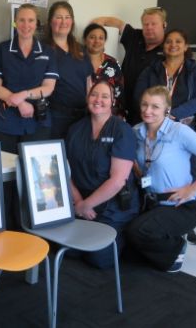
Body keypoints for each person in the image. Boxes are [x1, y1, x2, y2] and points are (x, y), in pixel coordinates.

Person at [126, 86, 196, 272]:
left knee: (139, 232)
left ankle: (176, 249)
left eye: (155, 106)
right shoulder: (136, 132)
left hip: (182, 205)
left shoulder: (179, 131)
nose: (148, 111)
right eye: (144, 105)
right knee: (126, 245)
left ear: (167, 109)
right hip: (151, 201)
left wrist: (191, 189)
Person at [65, 80, 139, 269]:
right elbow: (66, 171)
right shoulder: (75, 129)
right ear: (87, 98)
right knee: (69, 250)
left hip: (113, 206)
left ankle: (124, 237)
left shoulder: (122, 131)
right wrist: (78, 202)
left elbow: (118, 181)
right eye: (94, 95)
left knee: (98, 259)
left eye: (105, 96)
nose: (98, 100)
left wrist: (86, 205)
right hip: (81, 202)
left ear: (113, 101)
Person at [0, 3, 59, 154]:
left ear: (37, 23)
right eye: (21, 20)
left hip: (37, 121)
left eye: (31, 20)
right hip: (3, 121)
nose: (26, 25)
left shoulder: (48, 52)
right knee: (4, 167)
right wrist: (20, 103)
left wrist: (24, 95)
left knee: (33, 167)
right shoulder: (2, 49)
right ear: (15, 22)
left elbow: (48, 87)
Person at [93, 7, 166, 124]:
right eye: (146, 24)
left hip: (149, 113)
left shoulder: (169, 48)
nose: (149, 28)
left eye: (154, 24)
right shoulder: (135, 37)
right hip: (124, 109)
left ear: (164, 25)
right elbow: (118, 23)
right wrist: (99, 22)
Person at [134, 29, 196, 123]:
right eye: (168, 42)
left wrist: (171, 115)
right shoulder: (150, 70)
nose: (173, 45)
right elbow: (139, 97)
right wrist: (155, 114)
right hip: (153, 123)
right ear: (163, 46)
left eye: (178, 41)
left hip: (184, 125)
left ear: (185, 46)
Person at [44, 1, 93, 139]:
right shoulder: (43, 50)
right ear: (50, 22)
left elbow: (89, 82)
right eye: (59, 17)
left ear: (72, 21)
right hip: (55, 117)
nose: (63, 22)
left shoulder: (80, 50)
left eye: (67, 17)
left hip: (82, 117)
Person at [83, 23, 125, 117]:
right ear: (85, 40)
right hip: (80, 115)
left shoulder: (112, 63)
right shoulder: (77, 61)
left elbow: (119, 93)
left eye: (101, 38)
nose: (97, 41)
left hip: (107, 116)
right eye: (92, 37)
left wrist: (118, 116)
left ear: (105, 41)